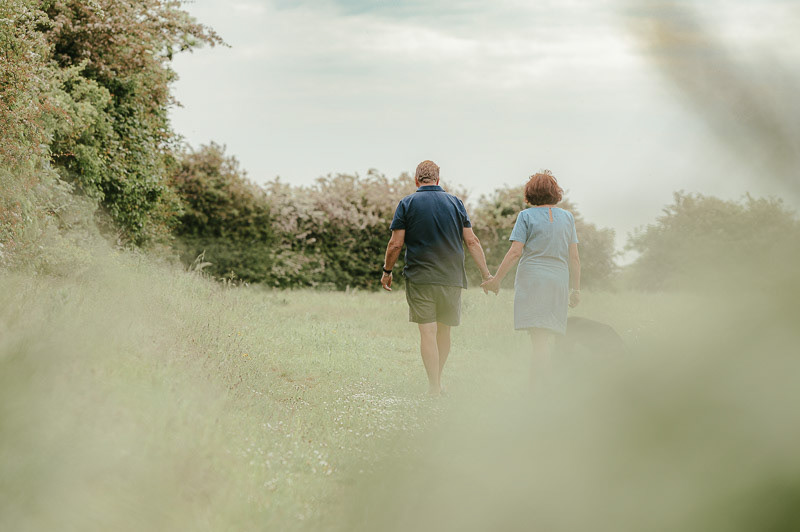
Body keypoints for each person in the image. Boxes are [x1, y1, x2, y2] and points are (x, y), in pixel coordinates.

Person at [381, 160, 492, 396]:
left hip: (420, 277)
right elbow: (472, 241)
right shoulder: (456, 203)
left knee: (427, 332)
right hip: (451, 277)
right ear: (438, 180)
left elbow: (395, 243)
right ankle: (438, 382)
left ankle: (433, 386)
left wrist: (387, 271)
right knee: (444, 331)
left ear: (416, 179)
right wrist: (486, 274)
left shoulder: (407, 203)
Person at [481, 170, 581, 386]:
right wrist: (576, 290)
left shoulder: (526, 216)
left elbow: (515, 252)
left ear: (531, 193)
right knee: (549, 337)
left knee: (539, 340)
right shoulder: (568, 218)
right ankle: (537, 386)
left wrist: (496, 279)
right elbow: (574, 257)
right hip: (558, 282)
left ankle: (541, 390)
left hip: (534, 281)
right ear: (555, 192)